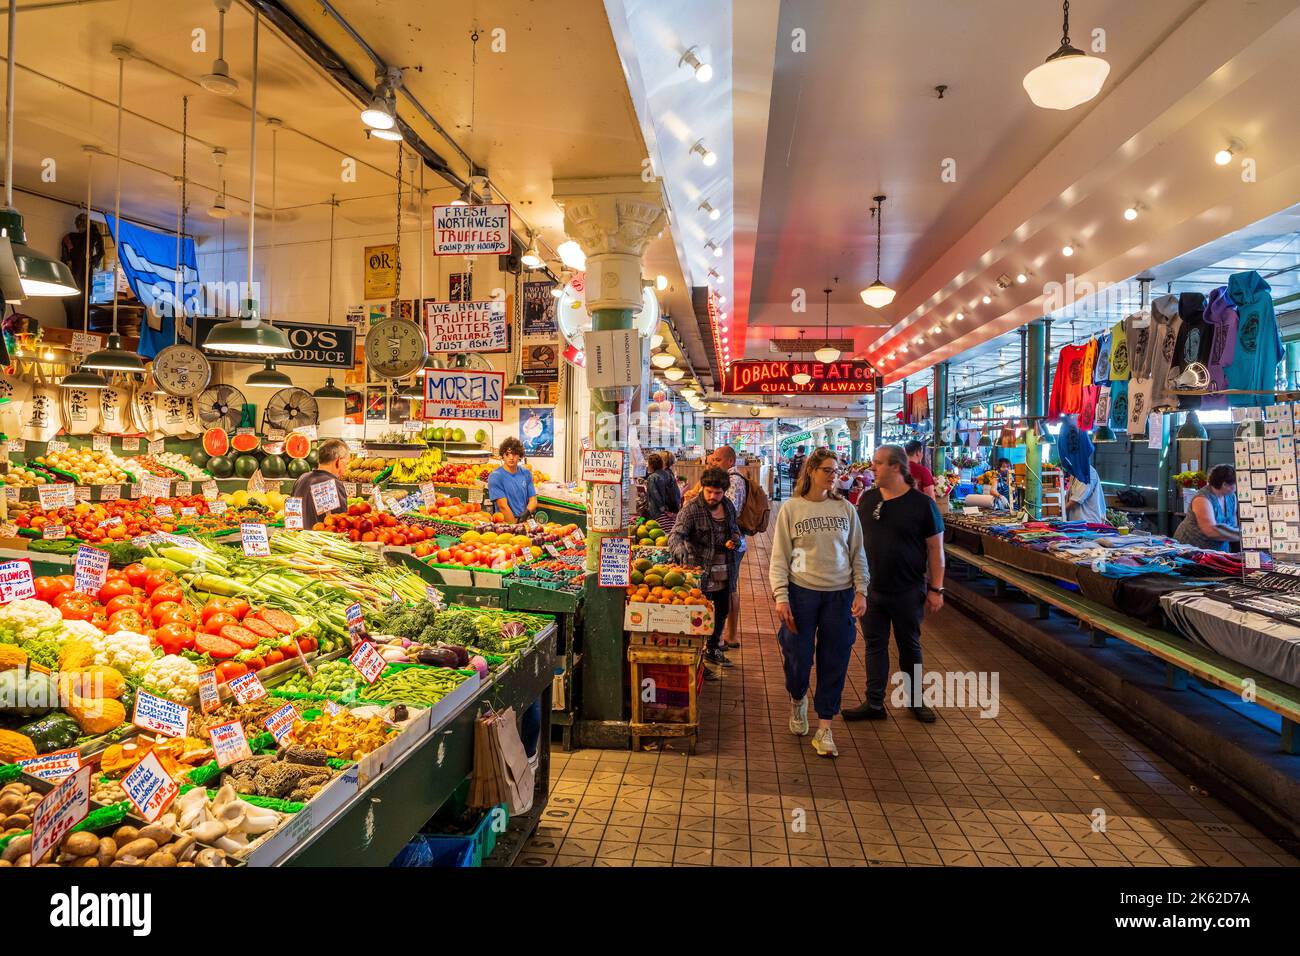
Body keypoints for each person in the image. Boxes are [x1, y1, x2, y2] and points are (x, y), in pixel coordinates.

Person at [769, 448, 868, 757]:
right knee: (797, 658)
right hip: (802, 594)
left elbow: (857, 553)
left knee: (834, 660)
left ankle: (825, 727)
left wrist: (861, 589)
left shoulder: (846, 510)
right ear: (810, 470)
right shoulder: (791, 509)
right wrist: (781, 596)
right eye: (827, 469)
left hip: (839, 597)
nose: (832, 475)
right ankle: (798, 698)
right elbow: (779, 557)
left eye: (834, 470)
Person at [844, 444, 945, 724]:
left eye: (877, 463)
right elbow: (856, 542)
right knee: (874, 645)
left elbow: (936, 550)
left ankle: (915, 700)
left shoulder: (922, 504)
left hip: (908, 589)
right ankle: (874, 702)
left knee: (909, 645)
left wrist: (936, 588)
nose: (872, 467)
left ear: (896, 467)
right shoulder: (869, 499)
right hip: (871, 590)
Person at [669, 467, 741, 676]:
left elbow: (734, 528)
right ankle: (699, 664)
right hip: (701, 572)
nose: (712, 497)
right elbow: (676, 534)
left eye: (717, 493)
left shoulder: (727, 506)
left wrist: (734, 539)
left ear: (724, 492)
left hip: (726, 570)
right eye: (709, 491)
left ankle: (713, 649)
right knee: (700, 617)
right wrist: (680, 549)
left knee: (721, 612)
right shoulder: (692, 509)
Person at [1173, 465, 1240, 551]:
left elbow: (1233, 525)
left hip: (1218, 551)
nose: (1237, 486)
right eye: (1235, 483)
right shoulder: (1202, 499)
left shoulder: (1231, 497)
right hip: (1191, 550)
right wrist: (1244, 536)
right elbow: (1210, 531)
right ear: (1225, 485)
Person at [59, 212, 104, 329]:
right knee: (73, 303)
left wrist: (91, 262)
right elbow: (65, 259)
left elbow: (101, 253)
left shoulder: (93, 237)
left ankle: (78, 329)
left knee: (82, 303)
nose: (80, 225)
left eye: (83, 222)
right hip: (75, 275)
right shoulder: (69, 239)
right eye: (79, 222)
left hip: (83, 275)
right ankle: (74, 329)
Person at [297, 438, 351, 530]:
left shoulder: (301, 479)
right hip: (321, 542)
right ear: (338, 461)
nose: (345, 469)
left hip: (297, 540)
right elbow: (341, 523)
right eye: (345, 464)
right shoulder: (333, 484)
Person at [488, 437, 538, 522]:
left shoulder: (526, 473)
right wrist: (515, 526)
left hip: (525, 520)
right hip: (506, 523)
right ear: (502, 455)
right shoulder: (495, 476)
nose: (511, 457)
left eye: (514, 454)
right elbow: (502, 506)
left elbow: (533, 499)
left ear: (519, 456)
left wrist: (527, 512)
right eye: (507, 454)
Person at [643, 452, 681, 521]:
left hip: (656, 512)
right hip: (669, 509)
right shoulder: (667, 474)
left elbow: (655, 495)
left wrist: (663, 509)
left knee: (652, 526)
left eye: (647, 463)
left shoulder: (652, 477)